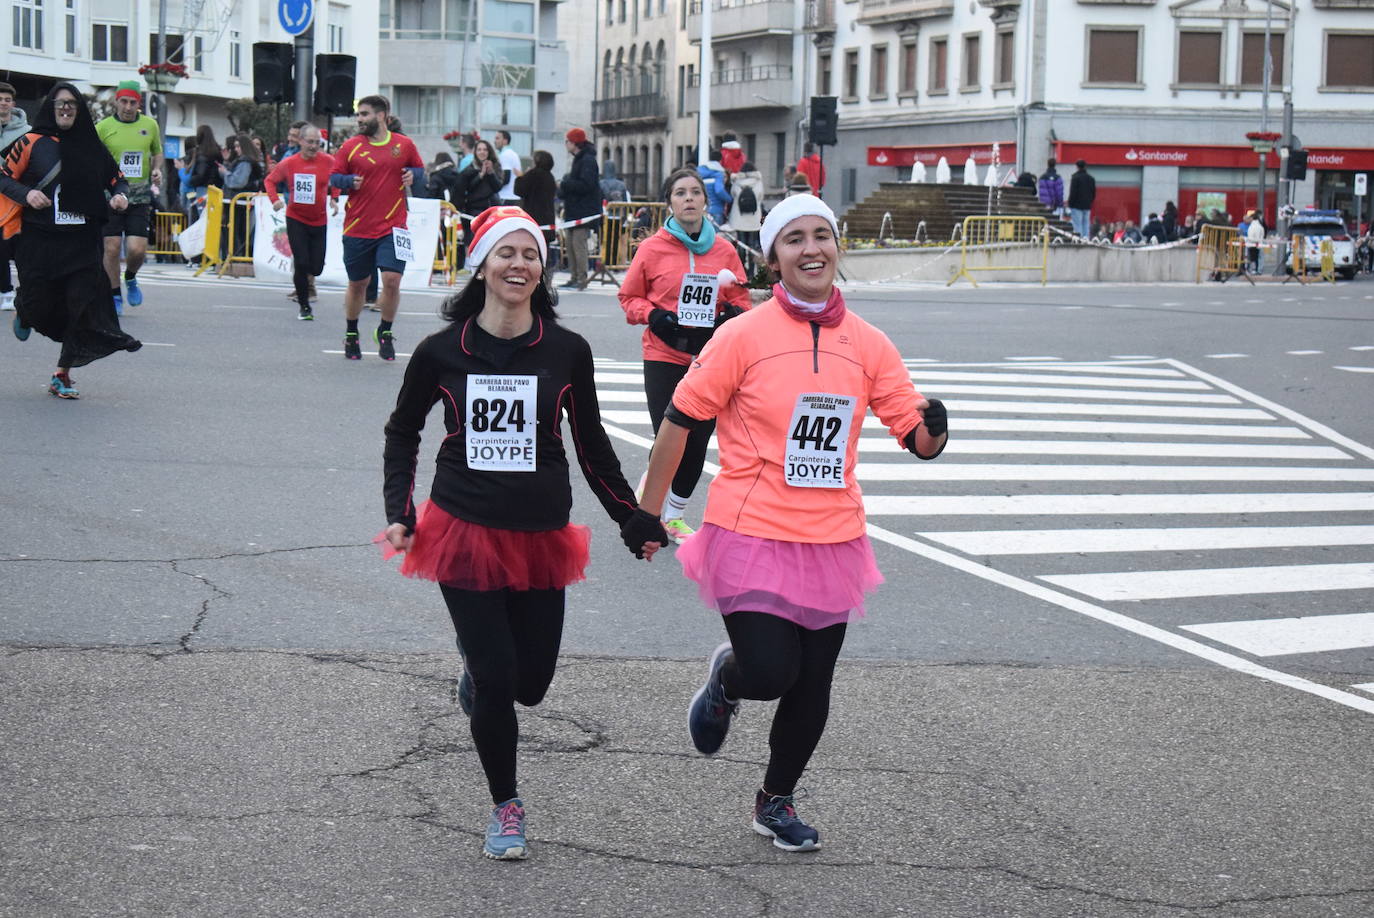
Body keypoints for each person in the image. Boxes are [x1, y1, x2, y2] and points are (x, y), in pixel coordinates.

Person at [620, 193, 948, 852]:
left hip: (833, 535)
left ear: (837, 248)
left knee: (813, 682)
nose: (811, 250)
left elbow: (910, 425)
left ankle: (776, 801)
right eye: (794, 239)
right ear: (773, 258)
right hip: (752, 528)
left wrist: (932, 432)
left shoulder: (869, 344)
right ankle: (727, 680)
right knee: (771, 671)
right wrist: (647, 511)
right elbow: (680, 422)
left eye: (821, 236)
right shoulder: (742, 336)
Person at [380, 205, 661, 860]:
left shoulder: (566, 351)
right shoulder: (440, 352)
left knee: (529, 684)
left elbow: (592, 447)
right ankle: (506, 804)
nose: (519, 264)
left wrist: (631, 517)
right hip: (462, 528)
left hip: (541, 532)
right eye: (505, 253)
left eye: (530, 253)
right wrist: (401, 509)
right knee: (500, 673)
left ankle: (479, 680)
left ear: (543, 268)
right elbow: (402, 431)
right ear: (480, 264)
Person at [618, 167, 752, 543]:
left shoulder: (724, 251)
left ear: (706, 202)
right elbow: (629, 298)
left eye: (695, 192)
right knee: (670, 432)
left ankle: (673, 515)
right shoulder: (652, 249)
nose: (689, 198)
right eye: (680, 193)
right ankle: (650, 511)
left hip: (710, 357)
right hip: (663, 353)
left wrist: (730, 314)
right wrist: (655, 316)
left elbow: (741, 299)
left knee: (698, 439)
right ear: (670, 204)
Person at [0, 82, 143, 399]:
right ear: (50, 108)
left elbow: (117, 179)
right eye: (60, 104)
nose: (65, 109)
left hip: (82, 242)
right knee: (38, 304)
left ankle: (61, 373)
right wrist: (27, 194)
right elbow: (2, 176)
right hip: (39, 241)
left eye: (72, 104)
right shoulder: (31, 142)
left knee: (80, 308)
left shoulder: (91, 145)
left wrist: (120, 196)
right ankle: (24, 311)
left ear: (79, 110)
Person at [328, 94, 425, 361]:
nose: (359, 119)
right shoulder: (350, 146)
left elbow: (419, 169)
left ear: (381, 116)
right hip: (358, 226)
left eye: (365, 114)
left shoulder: (403, 144)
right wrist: (348, 181)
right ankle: (351, 332)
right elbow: (334, 176)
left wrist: (412, 175)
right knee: (358, 284)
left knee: (392, 281)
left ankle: (385, 331)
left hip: (394, 226)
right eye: (358, 114)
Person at [95, 80, 161, 313]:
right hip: (110, 195)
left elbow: (157, 153)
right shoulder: (102, 127)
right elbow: (92, 158)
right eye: (124, 101)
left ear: (139, 103)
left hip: (139, 195)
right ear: (116, 101)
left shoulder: (150, 125)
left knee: (137, 249)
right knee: (111, 248)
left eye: (133, 102)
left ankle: (131, 277)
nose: (128, 106)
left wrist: (157, 169)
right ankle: (114, 296)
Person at [265, 122, 339, 320]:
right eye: (310, 142)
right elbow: (270, 181)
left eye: (317, 142)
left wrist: (334, 198)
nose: (313, 146)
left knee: (317, 267)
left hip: (319, 219)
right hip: (296, 217)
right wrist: (275, 200)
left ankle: (308, 289)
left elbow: (337, 179)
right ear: (300, 141)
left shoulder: (328, 161)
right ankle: (304, 306)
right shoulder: (289, 163)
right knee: (301, 262)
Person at [557, 127, 600, 290]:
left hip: (582, 210)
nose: (566, 144)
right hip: (574, 210)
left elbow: (587, 185)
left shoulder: (587, 160)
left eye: (567, 141)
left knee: (578, 244)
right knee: (570, 244)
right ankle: (574, 276)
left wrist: (565, 184)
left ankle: (581, 277)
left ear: (574, 142)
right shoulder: (579, 159)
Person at [0, 81, 29, 312]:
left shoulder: (26, 132)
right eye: (0, 99)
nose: (3, 103)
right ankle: (5, 289)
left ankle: (22, 291)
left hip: (14, 198)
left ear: (13, 103)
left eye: (7, 99)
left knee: (16, 246)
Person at [457, 139, 505, 271]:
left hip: (491, 206)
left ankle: (488, 263)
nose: (482, 152)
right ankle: (469, 264)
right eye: (479, 150)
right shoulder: (470, 168)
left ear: (489, 151)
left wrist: (490, 173)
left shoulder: (495, 166)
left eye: (485, 149)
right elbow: (468, 188)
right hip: (473, 207)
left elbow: (497, 187)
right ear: (475, 152)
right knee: (471, 236)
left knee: (490, 237)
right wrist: (481, 174)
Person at [514, 149, 557, 264]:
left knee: (531, 249)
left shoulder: (534, 174)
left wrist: (520, 177)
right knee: (544, 250)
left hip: (533, 218)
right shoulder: (550, 177)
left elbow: (519, 190)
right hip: (547, 220)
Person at [727, 158, 764, 262]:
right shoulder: (758, 181)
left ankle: (742, 267)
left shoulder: (737, 181)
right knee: (752, 243)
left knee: (741, 242)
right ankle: (752, 270)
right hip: (754, 217)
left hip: (739, 216)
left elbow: (733, 194)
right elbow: (760, 196)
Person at [697, 158, 731, 226]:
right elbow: (719, 191)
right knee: (716, 234)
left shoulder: (702, 176)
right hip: (717, 210)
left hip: (705, 210)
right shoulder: (718, 177)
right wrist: (729, 199)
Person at [492, 129, 523, 204]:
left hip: (505, 197)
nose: (494, 141)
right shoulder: (512, 153)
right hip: (513, 196)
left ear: (505, 141)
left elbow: (505, 178)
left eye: (497, 138)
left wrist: (493, 187)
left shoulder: (505, 155)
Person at [1067, 159, 1095, 239]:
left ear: (1077, 167)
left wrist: (1070, 203)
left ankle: (1079, 239)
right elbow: (1093, 192)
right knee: (1086, 223)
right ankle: (1086, 238)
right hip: (1087, 205)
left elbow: (1073, 192)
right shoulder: (1091, 179)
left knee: (1077, 224)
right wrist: (1090, 201)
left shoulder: (1075, 178)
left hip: (1076, 205)